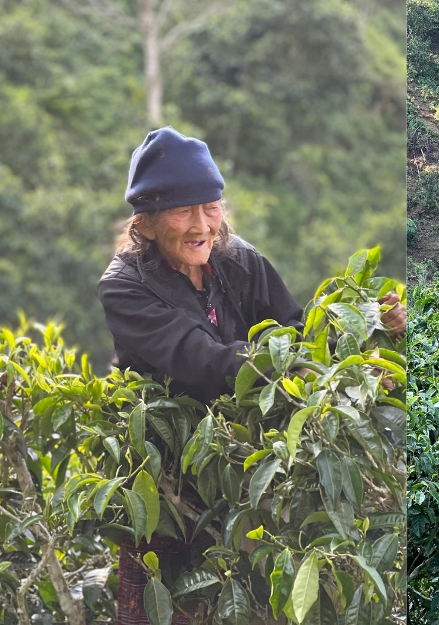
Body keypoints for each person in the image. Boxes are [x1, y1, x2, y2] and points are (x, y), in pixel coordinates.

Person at [97, 127, 405, 624]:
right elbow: (204, 361)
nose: (202, 224)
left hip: (248, 477)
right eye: (182, 211)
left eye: (211, 206)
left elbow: (298, 330)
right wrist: (299, 365)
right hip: (170, 487)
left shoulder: (239, 260)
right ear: (148, 224)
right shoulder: (124, 287)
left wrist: (369, 325)